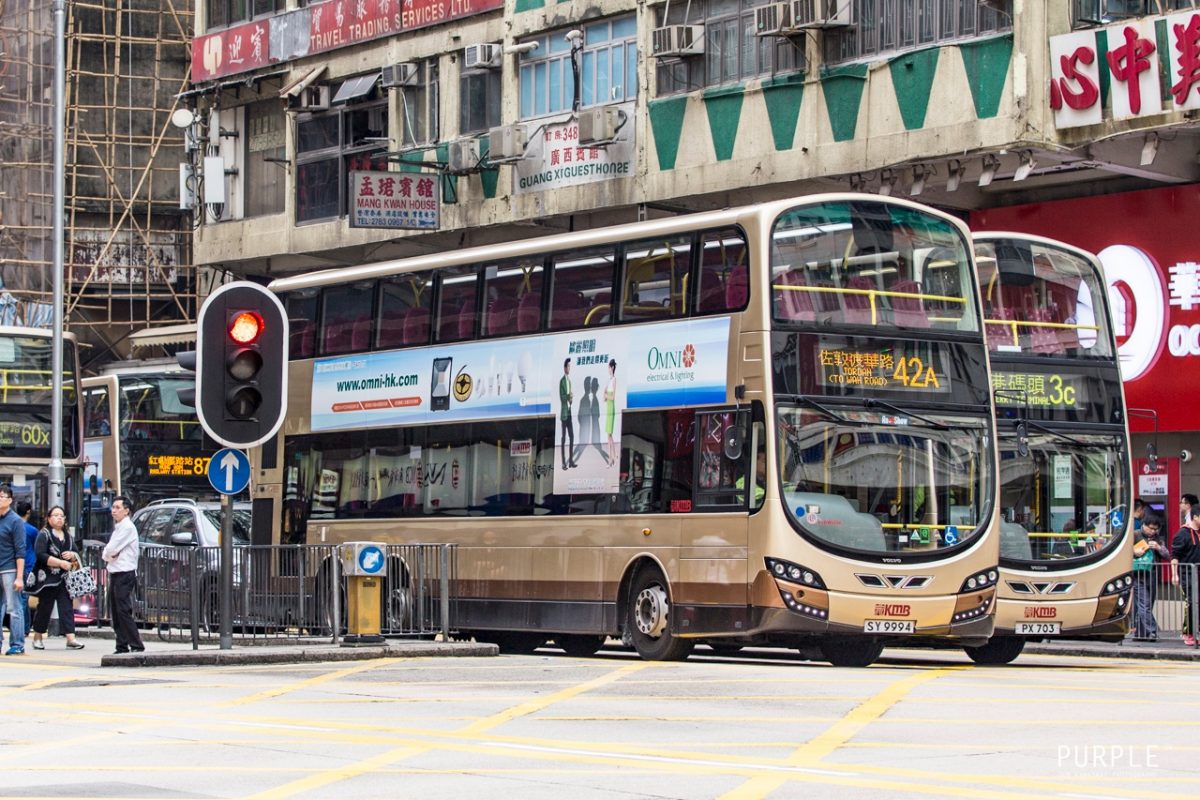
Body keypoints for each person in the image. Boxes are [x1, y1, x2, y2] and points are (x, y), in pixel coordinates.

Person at [28, 506, 85, 650]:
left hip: (65, 579)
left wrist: (72, 556)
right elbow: (40, 554)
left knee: (66, 607)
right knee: (44, 608)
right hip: (47, 579)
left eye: (62, 515)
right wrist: (60, 563)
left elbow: (77, 553)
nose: (59, 518)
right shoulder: (44, 534)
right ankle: (38, 636)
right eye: (56, 515)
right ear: (49, 518)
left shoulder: (68, 536)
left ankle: (70, 638)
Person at [102, 495, 144, 654]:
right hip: (116, 572)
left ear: (126, 511)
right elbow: (108, 552)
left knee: (123, 610)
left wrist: (108, 555)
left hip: (125, 573)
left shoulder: (127, 527)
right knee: (116, 611)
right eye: (113, 507)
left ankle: (136, 644)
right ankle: (121, 644)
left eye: (117, 508)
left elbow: (111, 550)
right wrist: (108, 555)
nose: (114, 511)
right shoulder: (119, 526)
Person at [1131, 514, 1169, 641]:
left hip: (1152, 575)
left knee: (1148, 605)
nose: (1153, 531)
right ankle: (1152, 631)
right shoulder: (1135, 535)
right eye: (1151, 528)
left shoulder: (1158, 539)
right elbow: (1123, 551)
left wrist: (1158, 547)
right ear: (1144, 525)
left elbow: (1167, 555)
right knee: (1144, 604)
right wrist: (1134, 552)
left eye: (1155, 529)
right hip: (1138, 575)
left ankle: (1140, 634)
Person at [0, 485, 27, 655]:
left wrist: (19, 577)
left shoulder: (15, 521)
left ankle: (17, 643)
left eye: (2, 496)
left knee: (14, 608)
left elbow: (20, 550)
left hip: (10, 569)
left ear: (10, 500)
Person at [1170, 503, 1200, 647]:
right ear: (1195, 517)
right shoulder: (1182, 534)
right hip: (1187, 575)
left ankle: (1197, 632)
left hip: (1198, 574)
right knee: (1191, 603)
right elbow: (1175, 556)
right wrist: (1174, 574)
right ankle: (1189, 632)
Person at [17, 501, 37, 633]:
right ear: (29, 512)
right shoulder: (32, 530)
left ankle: (20, 628)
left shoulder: (13, 526)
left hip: (13, 565)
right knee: (24, 598)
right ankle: (24, 628)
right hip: (28, 564)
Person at [558, 359, 576, 470]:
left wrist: (571, 399)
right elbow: (562, 397)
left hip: (569, 413)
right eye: (568, 367)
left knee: (572, 436)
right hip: (564, 414)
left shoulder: (569, 381)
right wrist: (569, 396)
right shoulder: (562, 381)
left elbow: (569, 400)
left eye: (570, 367)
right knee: (564, 438)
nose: (569, 368)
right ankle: (563, 463)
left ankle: (571, 461)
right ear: (564, 368)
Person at [603, 360, 618, 464]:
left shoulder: (614, 380)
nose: (608, 369)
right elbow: (605, 396)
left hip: (611, 407)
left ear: (612, 368)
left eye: (609, 367)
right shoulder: (609, 380)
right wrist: (604, 396)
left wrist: (606, 395)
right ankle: (613, 456)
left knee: (609, 434)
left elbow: (612, 397)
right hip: (608, 407)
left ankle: (610, 459)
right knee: (609, 435)